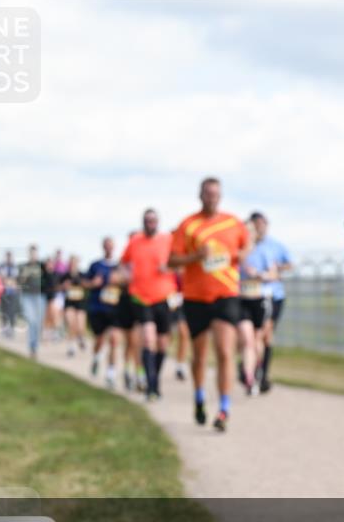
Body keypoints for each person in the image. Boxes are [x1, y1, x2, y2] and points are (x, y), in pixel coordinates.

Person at [168, 177, 251, 431]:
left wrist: (233, 256)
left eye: (215, 193)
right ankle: (200, 398)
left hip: (225, 293)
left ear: (220, 195)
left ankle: (224, 408)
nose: (211, 197)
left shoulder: (232, 223)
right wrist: (196, 256)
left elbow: (246, 248)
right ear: (200, 195)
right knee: (200, 355)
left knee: (225, 351)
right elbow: (172, 261)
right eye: (207, 193)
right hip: (195, 297)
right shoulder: (188, 225)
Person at [120, 210, 177, 401]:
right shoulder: (135, 241)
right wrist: (127, 274)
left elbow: (179, 262)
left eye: (153, 220)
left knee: (162, 344)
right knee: (148, 340)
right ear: (143, 222)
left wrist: (169, 267)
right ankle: (150, 386)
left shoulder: (167, 240)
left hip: (164, 297)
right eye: (147, 220)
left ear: (157, 222)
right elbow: (123, 263)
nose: (150, 223)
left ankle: (155, 379)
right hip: (141, 297)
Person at [246, 211, 293, 392]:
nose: (258, 227)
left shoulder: (274, 246)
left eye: (261, 224)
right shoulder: (248, 246)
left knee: (265, 334)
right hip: (252, 296)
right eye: (255, 224)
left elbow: (288, 264)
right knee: (254, 336)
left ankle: (262, 373)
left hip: (273, 296)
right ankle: (252, 369)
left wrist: (273, 271)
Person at [237, 217, 273, 396]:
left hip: (259, 300)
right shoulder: (236, 254)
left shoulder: (262, 251)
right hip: (241, 300)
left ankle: (257, 367)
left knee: (257, 341)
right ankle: (249, 378)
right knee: (247, 339)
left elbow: (273, 274)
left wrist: (258, 274)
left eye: (249, 231)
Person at [85, 237, 121, 388]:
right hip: (98, 308)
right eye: (106, 246)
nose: (109, 249)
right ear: (103, 247)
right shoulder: (95, 265)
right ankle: (96, 358)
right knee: (99, 340)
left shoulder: (119, 266)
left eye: (111, 246)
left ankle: (110, 374)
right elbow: (84, 283)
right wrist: (93, 284)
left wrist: (120, 281)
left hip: (114, 309)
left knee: (113, 339)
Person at [17, 245, 46, 359]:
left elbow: (49, 278)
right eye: (31, 253)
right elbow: (19, 282)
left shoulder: (41, 265)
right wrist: (24, 276)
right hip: (27, 296)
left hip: (40, 296)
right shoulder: (23, 266)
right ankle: (31, 346)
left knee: (37, 322)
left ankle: (35, 347)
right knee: (31, 320)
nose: (33, 255)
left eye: (35, 253)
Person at [60, 255, 88, 356]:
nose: (73, 265)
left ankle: (81, 337)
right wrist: (64, 286)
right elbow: (58, 287)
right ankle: (71, 346)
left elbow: (88, 285)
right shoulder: (65, 276)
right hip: (69, 303)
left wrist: (84, 284)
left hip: (80, 303)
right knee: (71, 324)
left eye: (75, 263)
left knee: (80, 326)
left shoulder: (82, 275)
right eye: (71, 263)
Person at [0, 251, 20, 339]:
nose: (9, 259)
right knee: (4, 311)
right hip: (4, 292)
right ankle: (5, 327)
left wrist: (11, 282)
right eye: (7, 257)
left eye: (10, 257)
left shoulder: (15, 267)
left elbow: (16, 279)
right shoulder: (2, 267)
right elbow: (1, 277)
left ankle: (11, 328)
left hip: (13, 293)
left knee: (12, 311)